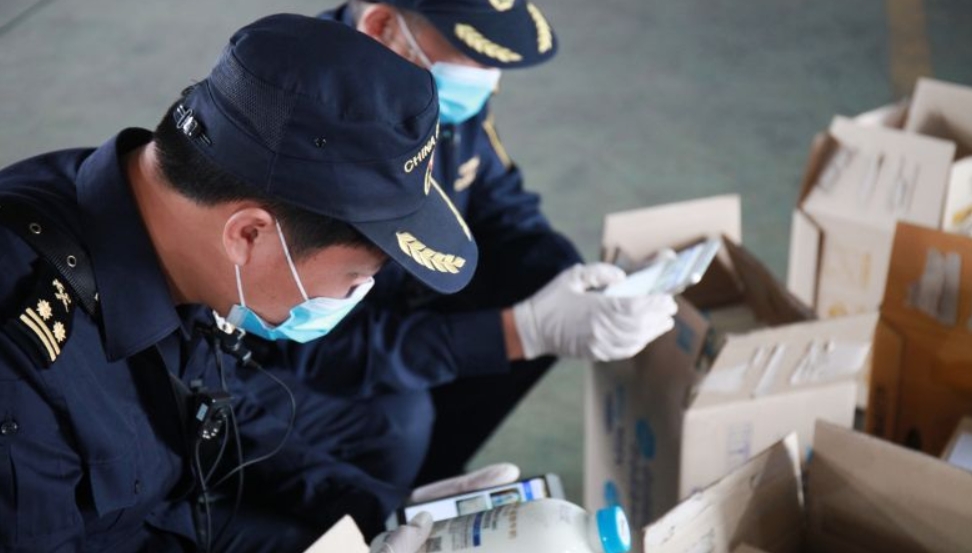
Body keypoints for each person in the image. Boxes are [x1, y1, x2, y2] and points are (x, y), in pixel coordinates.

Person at [0, 14, 474, 552]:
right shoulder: (20, 368)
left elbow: (213, 405)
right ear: (248, 235)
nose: (353, 296)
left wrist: (382, 510)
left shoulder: (165, 212)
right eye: (356, 276)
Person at [245, 0, 678, 491]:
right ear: (382, 25)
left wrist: (586, 288)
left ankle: (433, 483)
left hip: (395, 295)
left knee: (546, 278)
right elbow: (319, 346)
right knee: (397, 422)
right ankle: (374, 511)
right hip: (276, 354)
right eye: (473, 57)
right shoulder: (307, 125)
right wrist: (520, 332)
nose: (488, 81)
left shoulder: (416, 80)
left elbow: (500, 200)